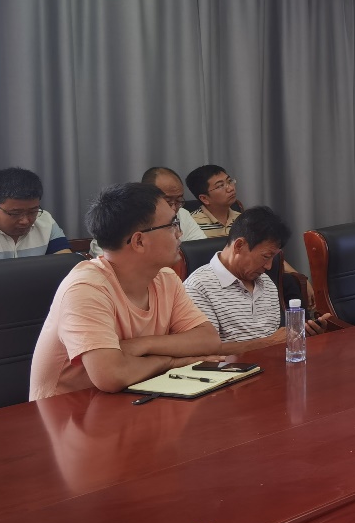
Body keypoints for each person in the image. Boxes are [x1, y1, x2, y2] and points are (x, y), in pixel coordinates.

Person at [29, 182, 223, 399]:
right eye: (172, 225)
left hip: (135, 398)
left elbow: (208, 339)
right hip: (71, 411)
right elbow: (112, 375)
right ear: (139, 241)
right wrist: (170, 362)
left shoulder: (165, 278)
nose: (180, 233)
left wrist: (142, 345)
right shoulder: (86, 289)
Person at [184, 205, 332, 352]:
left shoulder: (266, 282)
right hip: (233, 367)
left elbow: (275, 339)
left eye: (273, 258)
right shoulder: (198, 287)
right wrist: (267, 343)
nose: (269, 266)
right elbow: (205, 350)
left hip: (274, 361)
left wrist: (303, 335)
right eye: (266, 257)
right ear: (239, 246)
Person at [88, 167, 205, 257]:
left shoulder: (183, 214)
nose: (174, 208)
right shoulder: (120, 217)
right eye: (168, 201)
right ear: (147, 195)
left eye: (179, 200)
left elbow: (201, 250)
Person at [0, 167, 73, 261]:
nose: (25, 221)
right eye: (15, 213)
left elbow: (66, 264)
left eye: (33, 211)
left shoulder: (45, 220)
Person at [186, 164, 241, 237]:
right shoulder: (191, 224)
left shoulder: (242, 219)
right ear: (204, 198)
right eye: (220, 185)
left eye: (229, 181)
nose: (231, 188)